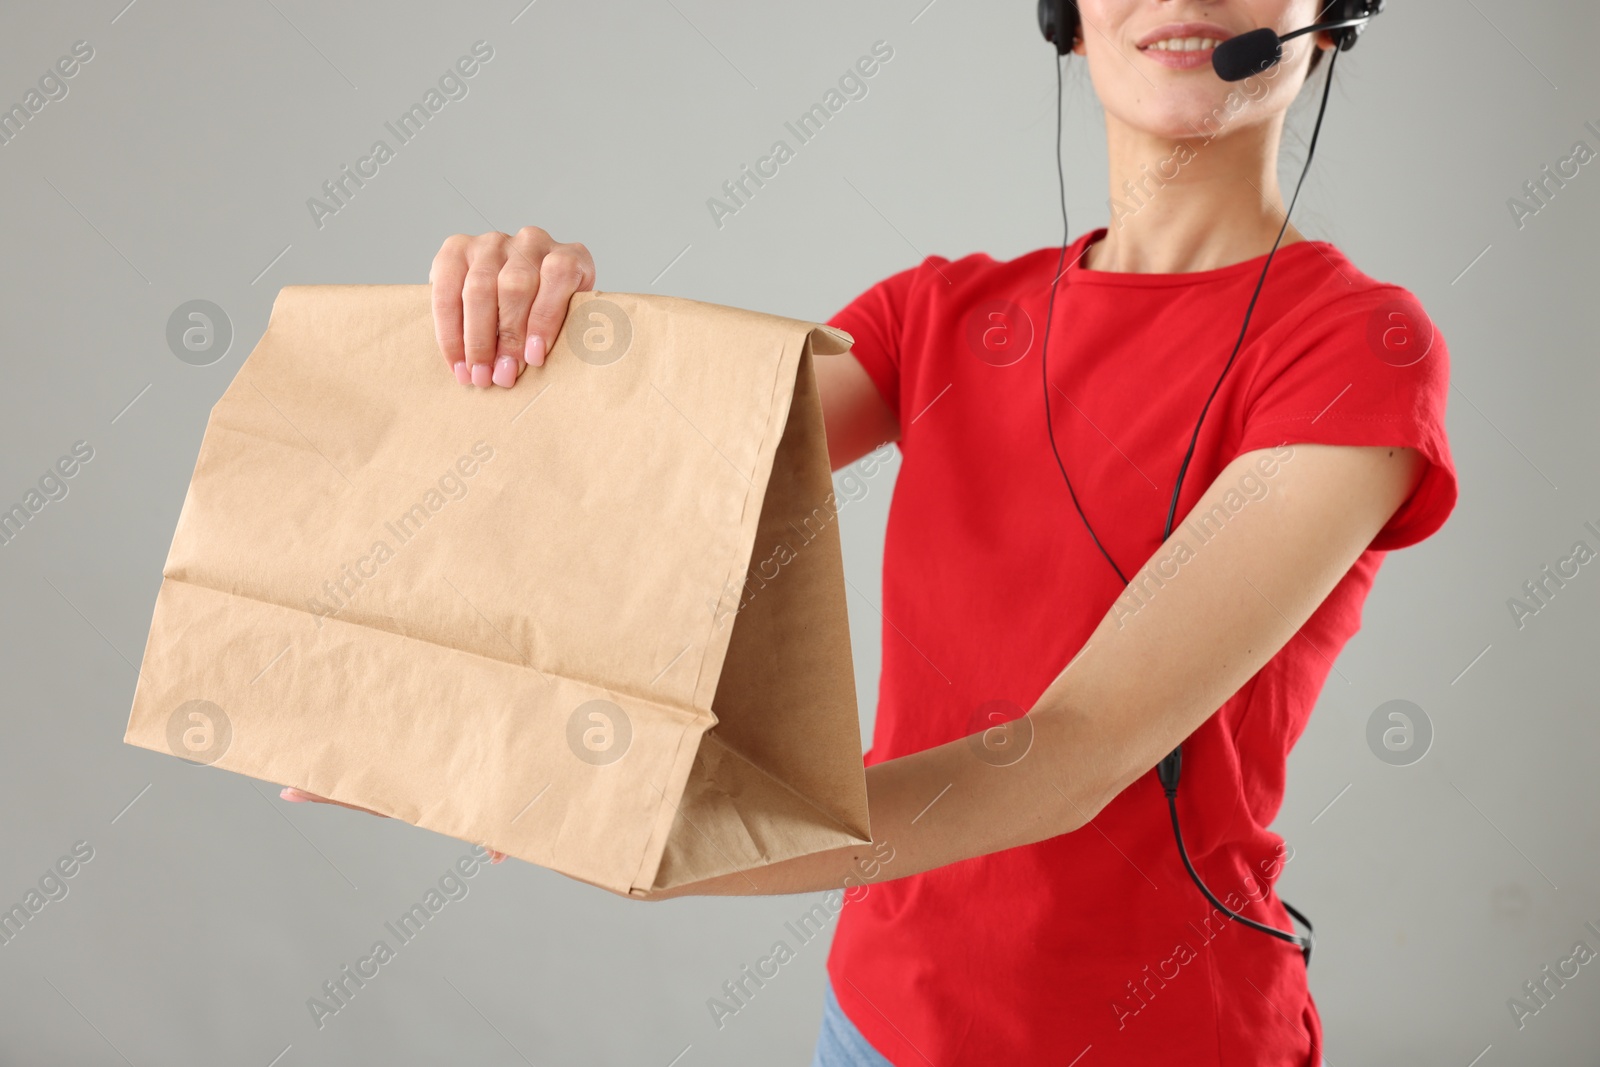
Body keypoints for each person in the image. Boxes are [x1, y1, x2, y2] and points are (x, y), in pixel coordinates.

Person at [283, 1, 1457, 1063]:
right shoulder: (939, 317)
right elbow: (621, 494)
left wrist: (627, 821)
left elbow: (1069, 755)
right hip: (881, 1023)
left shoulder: (1355, 352)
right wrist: (528, 338)